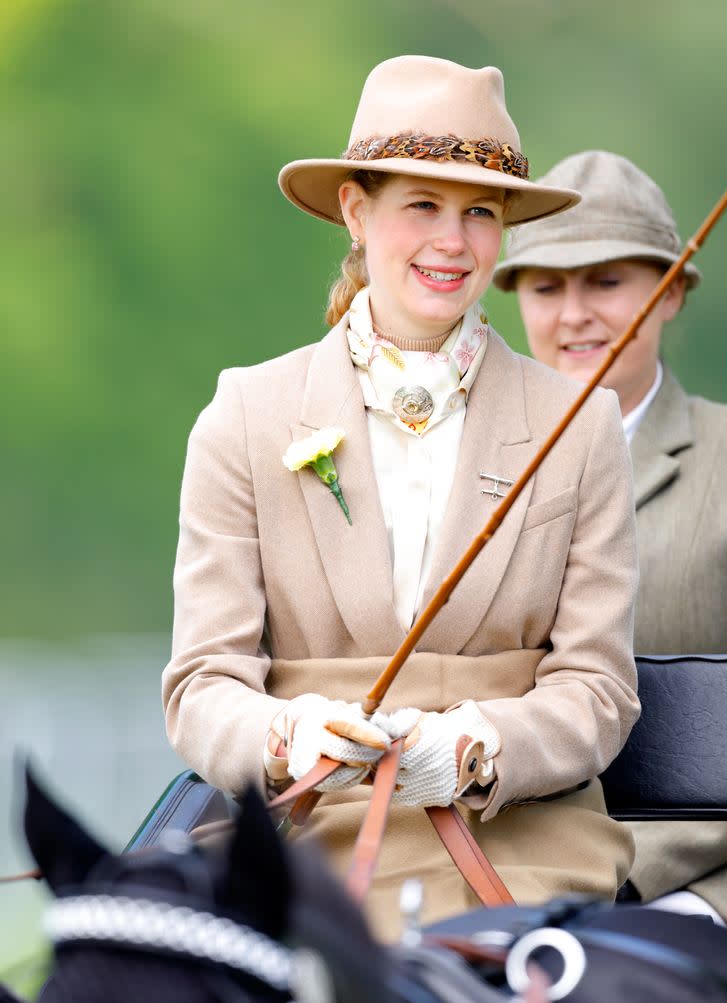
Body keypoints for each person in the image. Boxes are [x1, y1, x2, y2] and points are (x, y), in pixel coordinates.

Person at [163, 59, 641, 941]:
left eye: (480, 214)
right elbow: (204, 683)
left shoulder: (583, 423)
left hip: (525, 854)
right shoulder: (243, 415)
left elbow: (598, 687)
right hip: (303, 851)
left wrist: (474, 750)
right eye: (422, 205)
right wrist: (287, 736)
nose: (452, 242)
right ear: (356, 211)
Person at [494, 149, 727, 955]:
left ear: (673, 293)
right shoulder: (473, 475)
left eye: (609, 282)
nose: (576, 313)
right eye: (548, 287)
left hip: (711, 885)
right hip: (502, 873)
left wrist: (605, 876)